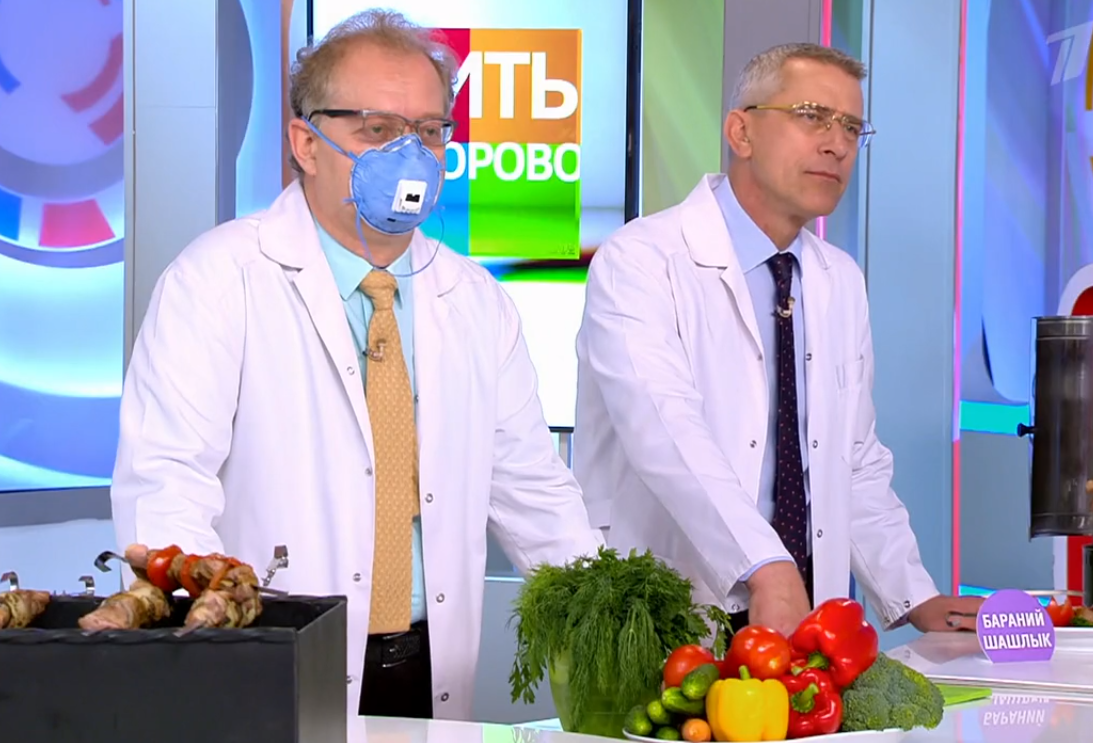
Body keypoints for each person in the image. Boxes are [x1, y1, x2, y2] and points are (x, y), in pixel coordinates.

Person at [110, 9, 602, 725]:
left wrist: (613, 615)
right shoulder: (218, 280)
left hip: (430, 665)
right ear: (305, 144)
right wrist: (207, 647)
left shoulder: (474, 300)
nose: (410, 154)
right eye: (377, 130)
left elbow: (533, 490)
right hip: (270, 661)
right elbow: (166, 483)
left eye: (428, 132)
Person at [572, 43, 982, 639]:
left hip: (802, 615)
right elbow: (665, 431)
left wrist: (915, 595)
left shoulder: (839, 279)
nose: (836, 144)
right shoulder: (641, 260)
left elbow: (853, 460)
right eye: (812, 116)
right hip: (669, 608)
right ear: (741, 132)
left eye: (851, 127)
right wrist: (764, 564)